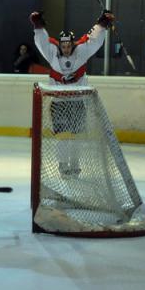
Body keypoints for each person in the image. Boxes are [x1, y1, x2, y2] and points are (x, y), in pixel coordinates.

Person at [30, 9, 115, 175]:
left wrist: (102, 24)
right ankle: (62, 165)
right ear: (60, 45)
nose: (66, 48)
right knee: (62, 136)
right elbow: (41, 42)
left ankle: (75, 164)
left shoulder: (81, 52)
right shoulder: (52, 54)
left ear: (73, 44)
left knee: (75, 136)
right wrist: (38, 26)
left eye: (69, 45)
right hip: (59, 103)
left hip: (77, 102)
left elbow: (94, 40)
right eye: (63, 46)